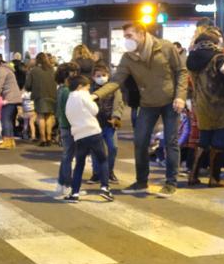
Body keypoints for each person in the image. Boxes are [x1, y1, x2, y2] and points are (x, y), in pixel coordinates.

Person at [93, 23, 188, 195]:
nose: (126, 40)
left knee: (171, 141)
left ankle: (171, 183)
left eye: (129, 36)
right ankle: (141, 181)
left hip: (170, 101)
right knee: (140, 141)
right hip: (147, 103)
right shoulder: (128, 57)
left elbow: (181, 71)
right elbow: (116, 81)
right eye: (125, 37)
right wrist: (96, 95)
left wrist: (180, 96)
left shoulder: (165, 47)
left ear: (142, 34)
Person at [186, 27, 224, 187]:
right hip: (219, 104)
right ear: (214, 42)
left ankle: (192, 176)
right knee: (219, 141)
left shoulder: (191, 58)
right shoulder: (218, 57)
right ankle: (215, 178)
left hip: (200, 104)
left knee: (203, 140)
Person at [64, 75, 114, 203]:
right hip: (92, 131)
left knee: (79, 164)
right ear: (80, 86)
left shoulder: (69, 99)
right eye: (87, 87)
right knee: (102, 159)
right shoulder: (83, 95)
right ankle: (104, 188)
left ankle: (74, 193)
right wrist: (91, 100)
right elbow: (95, 110)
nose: (89, 89)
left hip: (79, 135)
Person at [88, 63, 123, 184]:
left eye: (104, 75)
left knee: (113, 148)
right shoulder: (89, 89)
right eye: (98, 75)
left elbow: (119, 104)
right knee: (95, 150)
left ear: (108, 75)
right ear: (93, 77)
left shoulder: (113, 88)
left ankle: (109, 172)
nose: (101, 77)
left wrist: (116, 117)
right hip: (94, 124)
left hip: (110, 123)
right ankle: (96, 173)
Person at [54, 62, 80, 197]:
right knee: (68, 157)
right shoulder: (67, 91)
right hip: (70, 126)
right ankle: (67, 185)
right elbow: (69, 110)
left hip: (64, 125)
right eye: (74, 72)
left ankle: (61, 183)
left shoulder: (61, 89)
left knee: (66, 156)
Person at [24, 52, 57, 147]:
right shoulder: (52, 70)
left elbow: (28, 85)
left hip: (39, 96)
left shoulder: (34, 71)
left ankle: (43, 139)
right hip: (52, 95)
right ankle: (49, 138)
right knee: (49, 116)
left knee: (41, 116)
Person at [0, 54, 22, 149]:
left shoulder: (1, 70)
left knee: (4, 119)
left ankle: (6, 141)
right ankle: (10, 141)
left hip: (10, 97)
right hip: (14, 96)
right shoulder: (7, 69)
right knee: (8, 119)